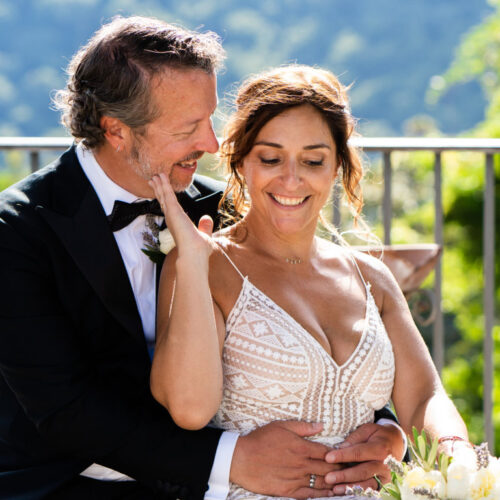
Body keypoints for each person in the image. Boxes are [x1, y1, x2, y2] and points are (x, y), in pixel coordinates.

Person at [0, 17, 405, 500]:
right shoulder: (18, 231)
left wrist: (381, 427)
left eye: (210, 119)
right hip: (73, 480)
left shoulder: (220, 208)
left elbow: (316, 326)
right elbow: (65, 411)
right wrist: (232, 459)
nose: (212, 144)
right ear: (116, 131)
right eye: (189, 127)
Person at [149, 64, 469, 499]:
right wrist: (189, 265)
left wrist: (462, 465)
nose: (291, 179)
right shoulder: (203, 264)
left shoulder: (370, 276)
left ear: (336, 165)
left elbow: (423, 399)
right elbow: (189, 408)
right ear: (240, 160)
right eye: (271, 158)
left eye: (313, 160)